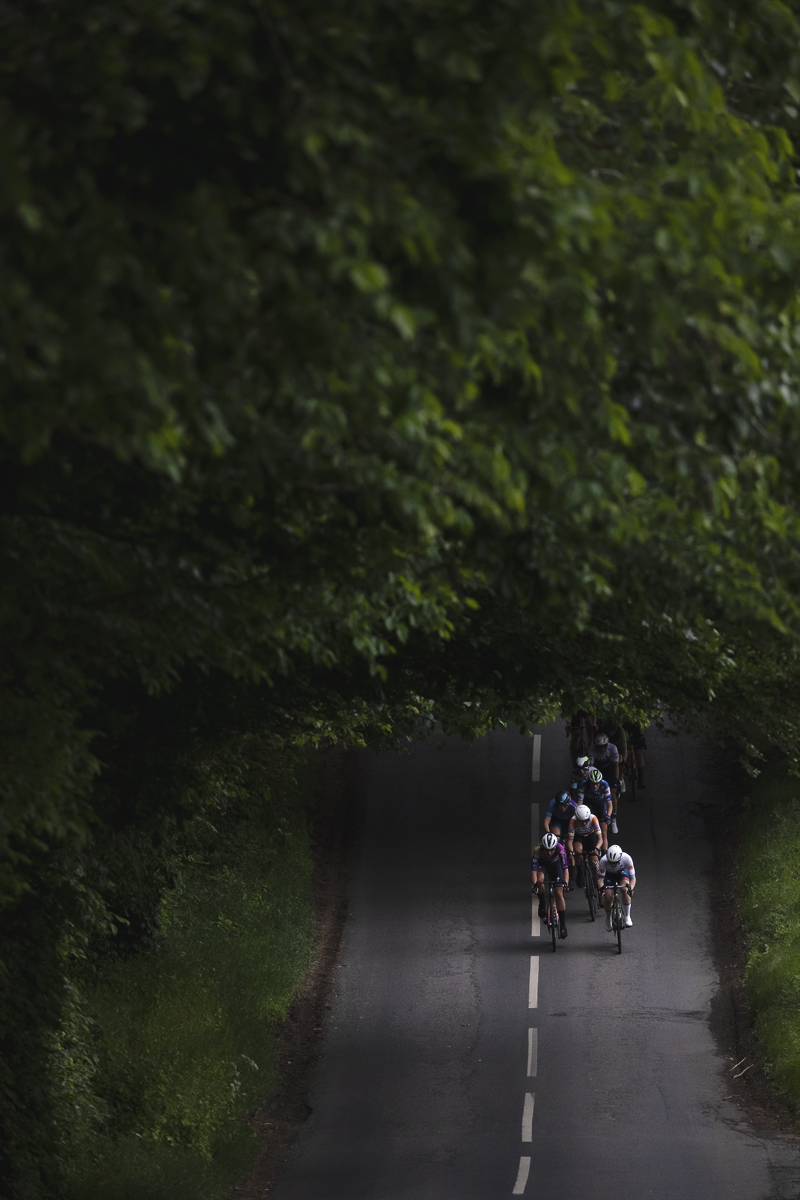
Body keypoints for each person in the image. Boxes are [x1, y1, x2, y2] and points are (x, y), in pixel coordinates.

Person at [532, 832, 569, 939]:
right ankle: (542, 902)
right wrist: (535, 885)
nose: (549, 853)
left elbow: (565, 868)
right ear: (543, 847)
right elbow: (534, 870)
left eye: (552, 850)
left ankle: (563, 925)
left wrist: (565, 883)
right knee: (540, 881)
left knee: (558, 892)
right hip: (543, 865)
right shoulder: (537, 850)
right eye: (547, 850)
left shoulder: (560, 848)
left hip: (555, 865)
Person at [597, 843, 636, 931]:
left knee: (625, 889)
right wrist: (602, 889)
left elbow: (633, 878)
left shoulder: (627, 858)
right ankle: (608, 918)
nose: (613, 865)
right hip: (608, 875)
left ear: (620, 859)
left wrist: (631, 888)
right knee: (608, 896)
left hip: (621, 873)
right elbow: (600, 880)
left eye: (615, 863)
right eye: (611, 862)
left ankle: (627, 916)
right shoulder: (603, 861)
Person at [566, 803, 603, 891]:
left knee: (594, 860)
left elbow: (600, 839)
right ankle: (580, 872)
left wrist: (597, 848)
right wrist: (571, 851)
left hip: (591, 837)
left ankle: (598, 885)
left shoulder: (593, 819)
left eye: (586, 820)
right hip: (579, 837)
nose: (584, 823)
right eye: (581, 821)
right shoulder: (573, 821)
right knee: (577, 851)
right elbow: (570, 841)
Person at [591, 734, 620, 834]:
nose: (602, 749)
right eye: (599, 746)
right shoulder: (591, 749)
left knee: (613, 793)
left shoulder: (613, 748)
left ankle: (614, 820)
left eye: (604, 746)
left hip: (609, 770)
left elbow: (616, 765)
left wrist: (616, 779)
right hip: (597, 770)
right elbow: (591, 767)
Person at [578, 767, 613, 849]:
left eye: (597, 783)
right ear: (589, 782)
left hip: (600, 804)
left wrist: (608, 815)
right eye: (593, 783)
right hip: (588, 804)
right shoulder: (583, 785)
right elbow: (579, 803)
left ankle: (604, 853)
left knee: (604, 833)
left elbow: (610, 804)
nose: (595, 786)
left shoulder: (605, 784)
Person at [624, 722, 647, 788]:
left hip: (636, 731)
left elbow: (641, 723)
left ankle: (641, 779)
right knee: (624, 749)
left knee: (638, 752)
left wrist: (641, 735)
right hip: (625, 729)